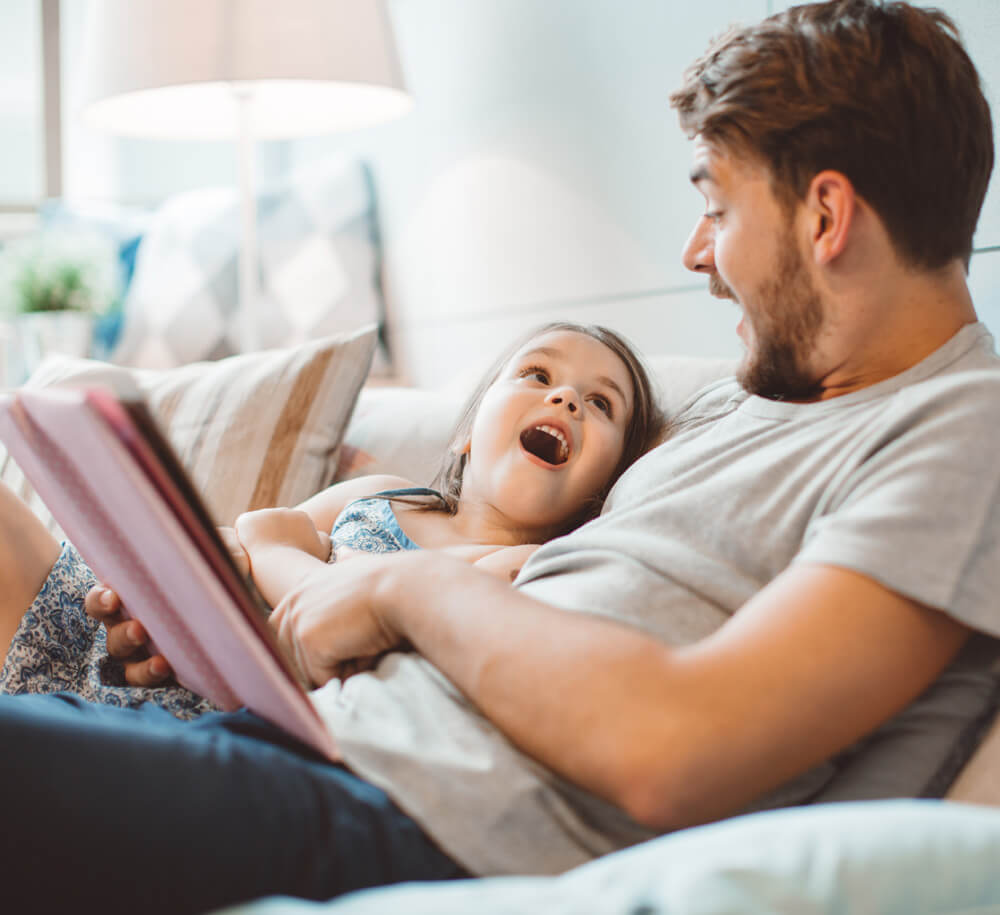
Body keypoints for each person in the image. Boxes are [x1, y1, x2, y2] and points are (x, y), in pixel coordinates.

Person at [3, 1, 1000, 913]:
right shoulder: (753, 400)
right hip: (314, 742)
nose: (697, 254)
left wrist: (404, 594)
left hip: (413, 822)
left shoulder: (961, 435)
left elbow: (673, 747)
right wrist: (226, 629)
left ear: (824, 217)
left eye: (719, 207)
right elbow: (540, 582)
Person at [0, 321, 664, 714]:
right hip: (151, 659)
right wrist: (175, 589)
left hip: (222, 716)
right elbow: (240, 538)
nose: (566, 396)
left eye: (602, 404)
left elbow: (327, 601)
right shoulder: (383, 493)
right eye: (537, 372)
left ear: (599, 491)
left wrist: (274, 548)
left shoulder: (524, 570)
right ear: (467, 432)